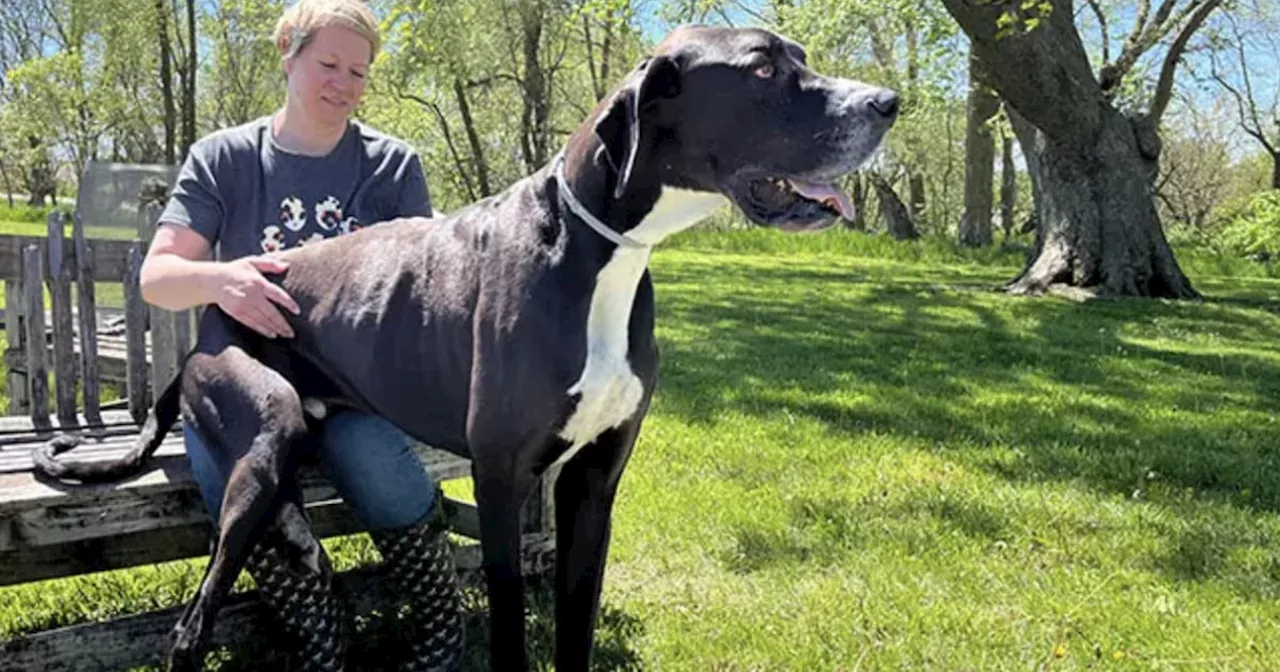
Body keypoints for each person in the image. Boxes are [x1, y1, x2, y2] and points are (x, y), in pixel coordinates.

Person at [139, 1, 462, 670]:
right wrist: (222, 279)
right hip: (243, 384)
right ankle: (323, 635)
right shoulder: (225, 157)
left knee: (377, 461)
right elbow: (158, 277)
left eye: (359, 72)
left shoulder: (393, 167)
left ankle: (439, 624)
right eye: (329, 64)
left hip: (350, 389)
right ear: (288, 50)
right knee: (234, 482)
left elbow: (422, 293)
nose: (343, 84)